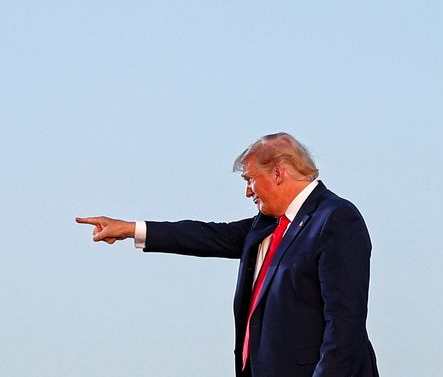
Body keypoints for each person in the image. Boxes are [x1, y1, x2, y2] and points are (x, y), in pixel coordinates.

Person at [76, 132, 379, 377]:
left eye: (249, 179)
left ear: (278, 173)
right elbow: (207, 236)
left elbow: (345, 324)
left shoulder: (335, 219)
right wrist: (131, 229)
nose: (248, 191)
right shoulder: (267, 225)